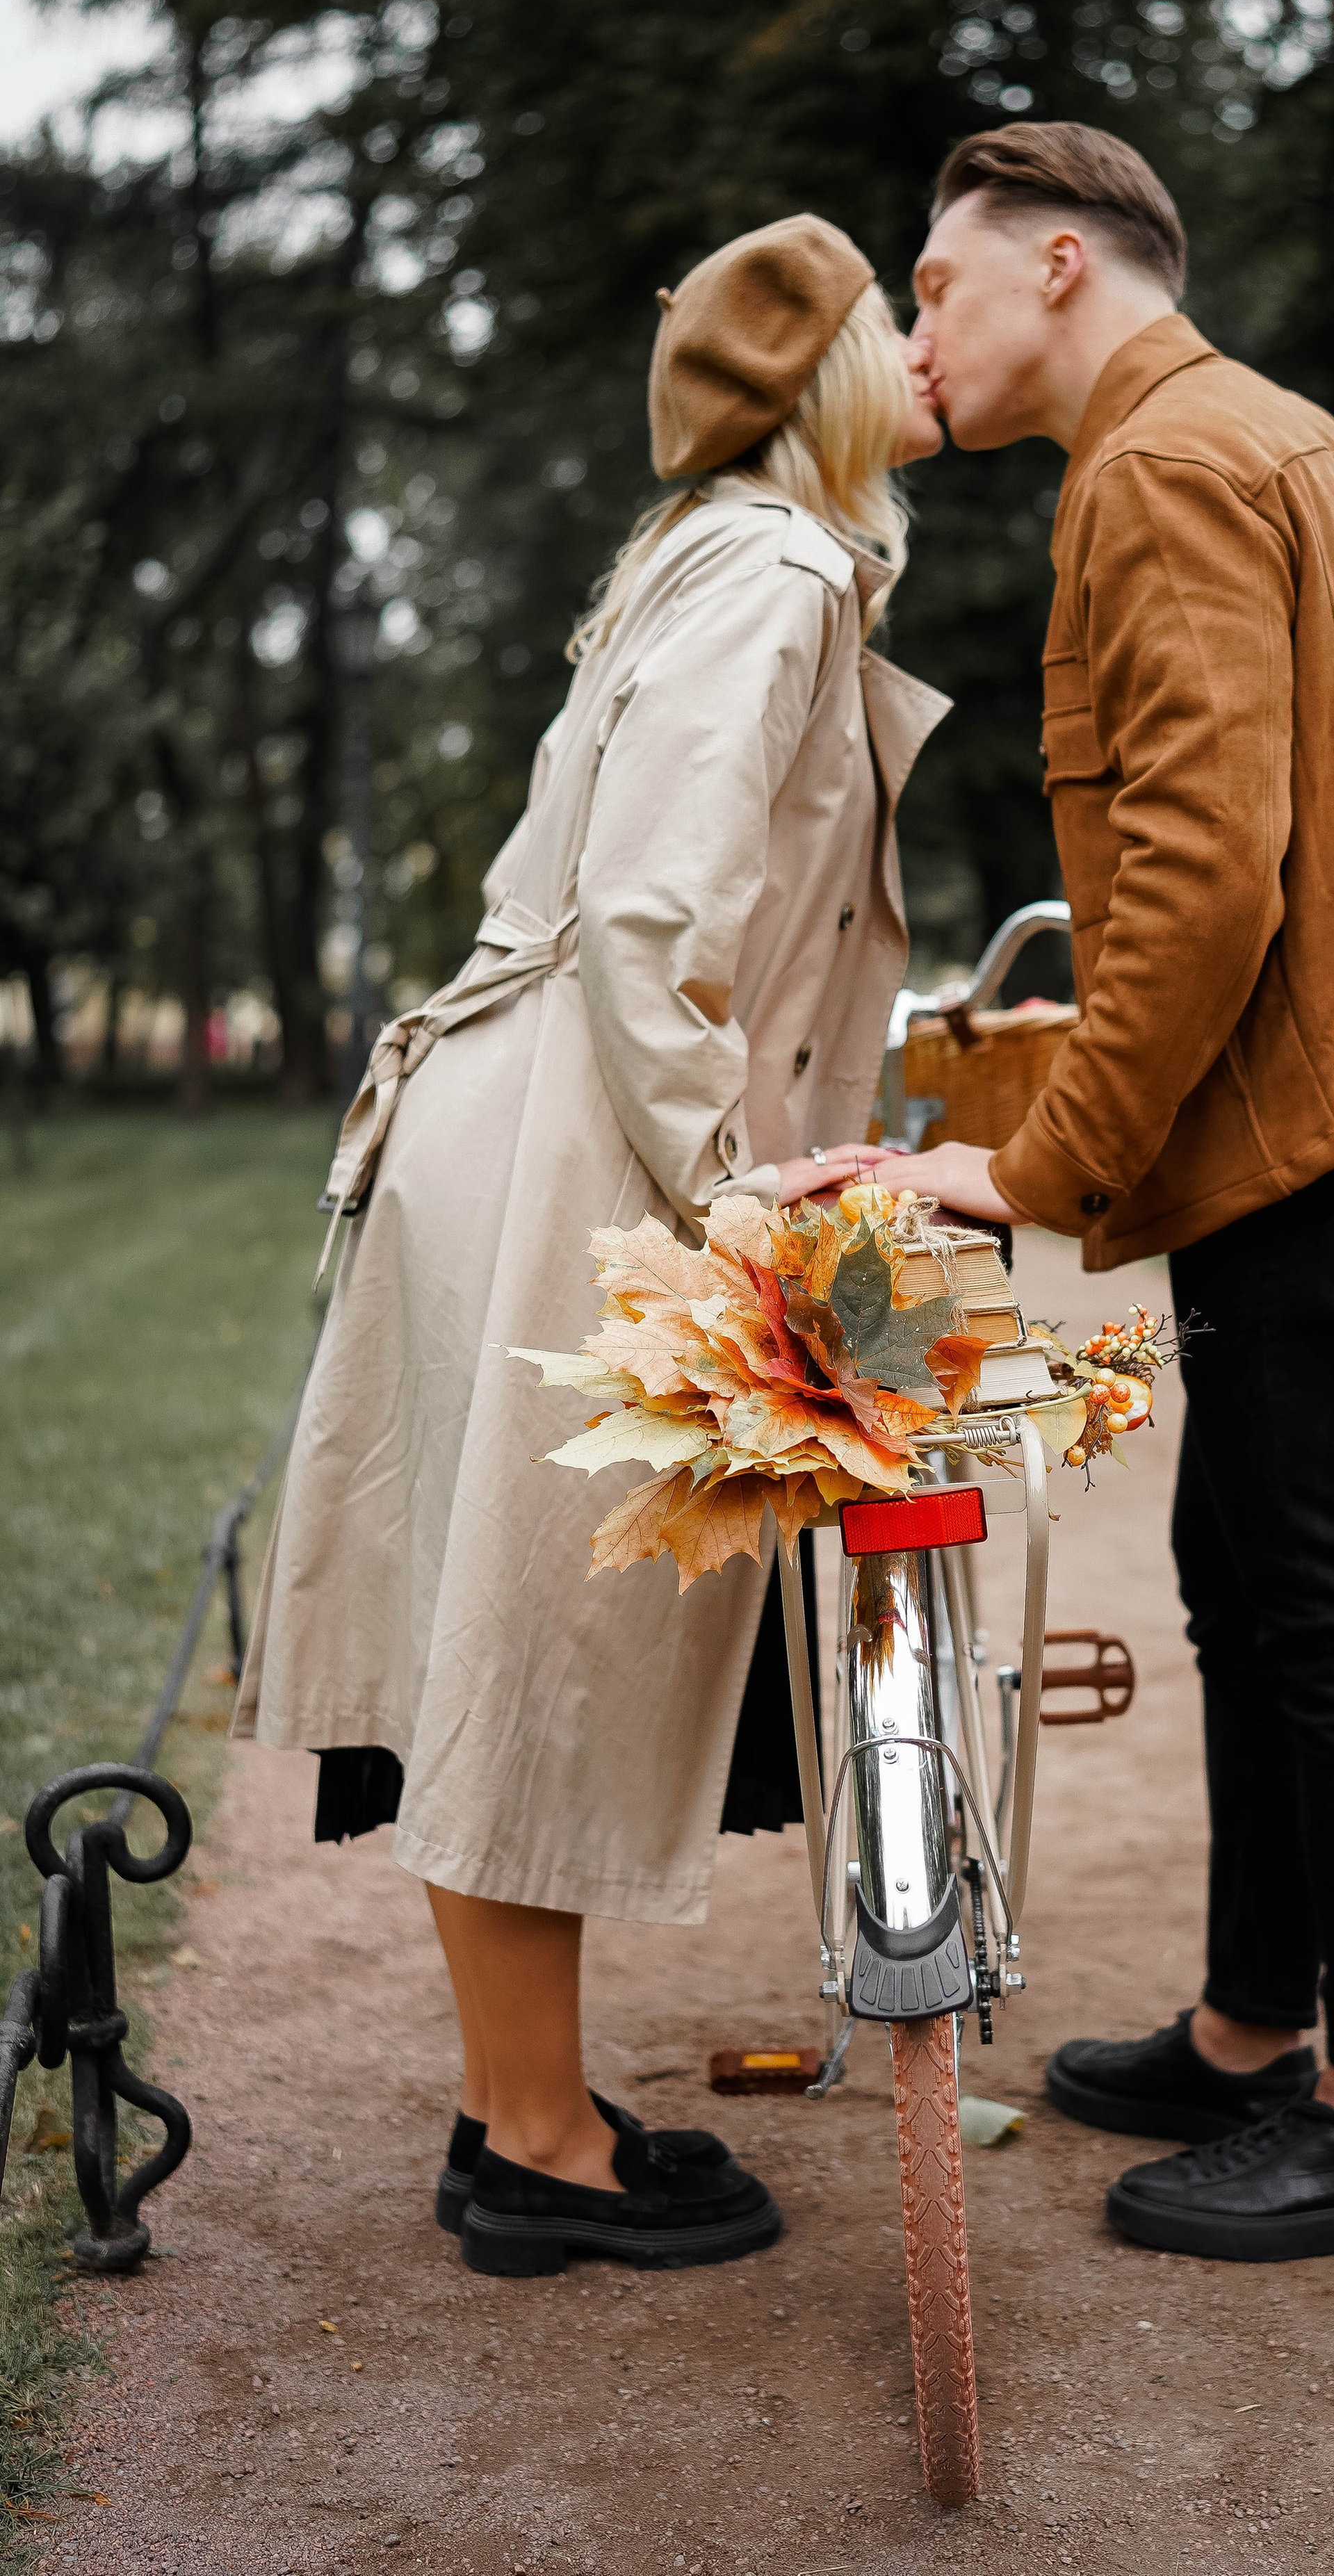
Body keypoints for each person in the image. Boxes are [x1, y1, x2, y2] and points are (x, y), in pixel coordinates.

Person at [235, 215, 949, 2276]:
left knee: (516, 1629)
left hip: (534, 1118)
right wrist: (743, 1194)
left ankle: (517, 2101)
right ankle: (532, 2153)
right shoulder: (784, 567)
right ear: (823, 370)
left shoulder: (717, 549)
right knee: (541, 1637)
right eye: (884, 319)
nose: (911, 342)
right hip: (578, 1143)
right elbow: (654, 919)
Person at [895, 123, 1334, 2263]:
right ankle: (1250, 2023)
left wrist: (1040, 1169)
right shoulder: (1304, 445)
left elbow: (1199, 878)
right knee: (1254, 1575)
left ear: (1065, 263)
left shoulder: (1163, 469)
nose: (918, 332)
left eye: (936, 287)